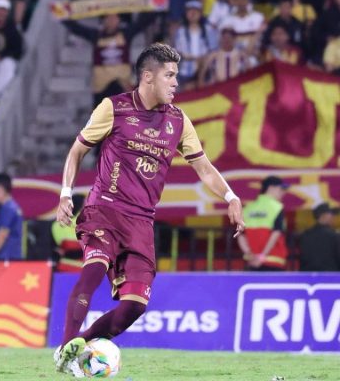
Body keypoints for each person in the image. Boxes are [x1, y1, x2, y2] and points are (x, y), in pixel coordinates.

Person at [53, 43, 245, 375]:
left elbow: (203, 167)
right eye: (169, 75)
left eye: (176, 76)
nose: (176, 82)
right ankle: (65, 347)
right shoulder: (113, 108)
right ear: (148, 77)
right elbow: (76, 151)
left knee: (134, 307)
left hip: (141, 222)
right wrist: (66, 193)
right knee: (94, 269)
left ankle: (81, 343)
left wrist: (230, 197)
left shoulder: (178, 121)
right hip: (104, 209)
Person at [62, 13, 155, 107]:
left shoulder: (125, 34)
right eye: (109, 18)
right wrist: (62, 14)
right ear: (104, 20)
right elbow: (77, 29)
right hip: (101, 87)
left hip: (121, 85)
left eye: (115, 18)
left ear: (119, 20)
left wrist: (156, 8)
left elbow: (142, 23)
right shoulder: (96, 35)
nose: (112, 20)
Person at [237, 176, 290, 271]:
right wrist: (262, 256)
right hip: (273, 262)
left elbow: (240, 235)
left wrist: (250, 254)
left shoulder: (247, 208)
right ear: (271, 188)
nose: (283, 193)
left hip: (252, 263)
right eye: (281, 189)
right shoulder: (277, 207)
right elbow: (276, 233)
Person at [174, 1, 218, 89]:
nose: (193, 13)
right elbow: (178, 52)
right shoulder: (180, 31)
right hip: (187, 71)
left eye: (196, 11)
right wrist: (193, 58)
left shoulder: (208, 30)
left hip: (206, 70)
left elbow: (214, 51)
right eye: (190, 11)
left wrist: (204, 62)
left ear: (200, 13)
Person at [298, 203, 340, 271]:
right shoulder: (334, 236)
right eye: (331, 214)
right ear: (323, 215)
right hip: (331, 275)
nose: (334, 217)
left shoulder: (305, 235)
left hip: (308, 275)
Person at [52, 194, 86, 272]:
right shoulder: (87, 224)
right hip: (82, 268)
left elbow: (57, 249)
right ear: (80, 206)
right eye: (85, 205)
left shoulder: (56, 224)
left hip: (63, 267)